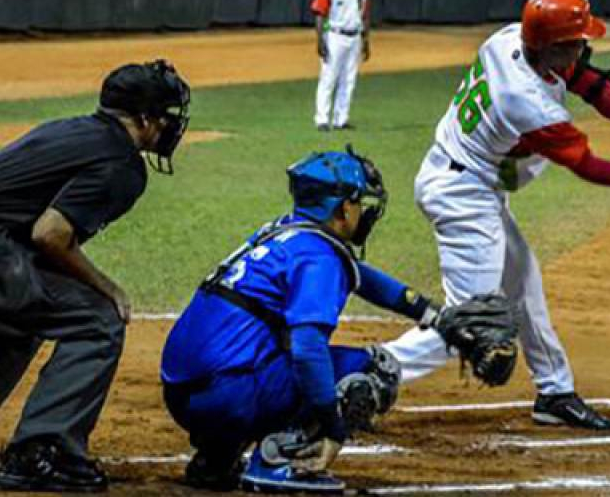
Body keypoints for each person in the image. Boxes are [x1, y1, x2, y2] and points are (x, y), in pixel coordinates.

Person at [382, 0, 610, 431]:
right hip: (461, 194)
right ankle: (371, 370)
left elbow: (590, 82)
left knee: (523, 284)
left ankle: (554, 392)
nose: (584, 46)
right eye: (576, 41)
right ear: (552, 46)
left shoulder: (510, 40)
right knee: (474, 322)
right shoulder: (526, 101)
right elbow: (590, 167)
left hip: (472, 180)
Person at [0, 60, 191, 492]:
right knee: (96, 319)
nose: (170, 128)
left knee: (23, 321)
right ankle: (42, 452)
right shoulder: (122, 163)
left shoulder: (73, 129)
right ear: (144, 119)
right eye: (166, 117)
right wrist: (107, 288)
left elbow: (35, 233)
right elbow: (51, 235)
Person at [161, 148, 463, 493]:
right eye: (360, 203)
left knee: (258, 350)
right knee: (372, 370)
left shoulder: (283, 233)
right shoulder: (319, 257)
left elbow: (360, 276)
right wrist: (332, 424)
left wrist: (431, 314)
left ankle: (217, 458)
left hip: (184, 396)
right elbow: (307, 349)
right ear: (342, 207)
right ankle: (282, 462)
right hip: (229, 399)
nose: (363, 212)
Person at [311, 0, 370, 132]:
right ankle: (322, 119)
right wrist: (320, 40)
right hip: (335, 36)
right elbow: (319, 14)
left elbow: (365, 16)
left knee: (349, 80)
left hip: (354, 37)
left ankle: (340, 119)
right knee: (329, 78)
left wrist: (366, 41)